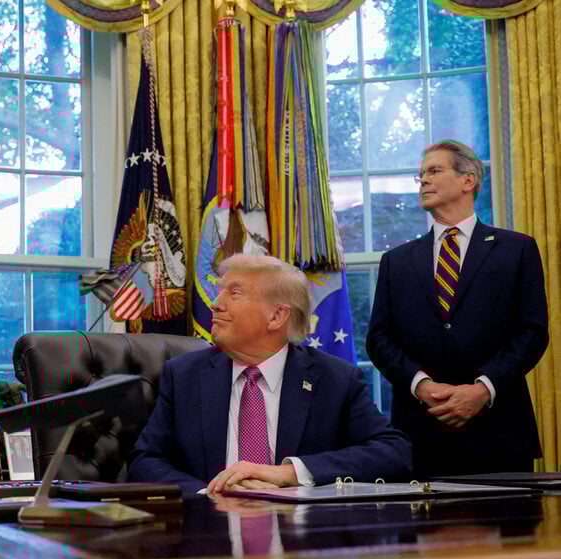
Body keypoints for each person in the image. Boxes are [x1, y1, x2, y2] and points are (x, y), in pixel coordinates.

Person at [128, 255, 412, 497]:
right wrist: (209, 494)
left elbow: (394, 452)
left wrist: (289, 473)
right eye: (220, 291)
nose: (215, 304)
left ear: (276, 316)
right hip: (209, 531)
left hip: (302, 535)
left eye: (234, 293)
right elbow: (145, 461)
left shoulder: (334, 379)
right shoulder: (184, 375)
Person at [367, 140, 549, 478]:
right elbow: (379, 339)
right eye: (421, 174)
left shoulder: (516, 249)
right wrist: (421, 385)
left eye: (435, 171)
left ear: (468, 180)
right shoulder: (397, 261)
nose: (424, 180)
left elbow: (532, 332)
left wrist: (482, 389)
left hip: (499, 435)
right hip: (421, 436)